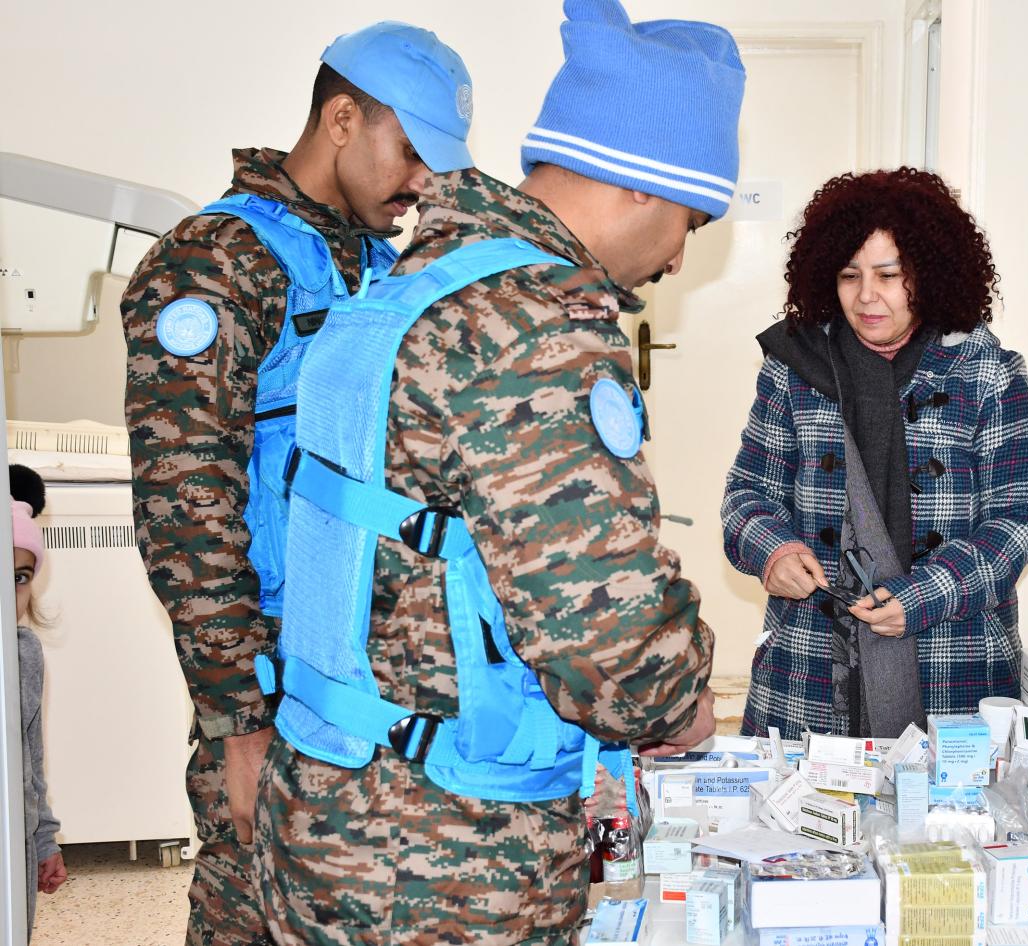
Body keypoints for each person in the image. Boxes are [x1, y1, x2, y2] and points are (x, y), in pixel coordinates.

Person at [253, 1, 743, 941]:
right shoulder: (534, 326)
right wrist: (681, 705)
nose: (681, 256)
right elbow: (607, 631)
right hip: (440, 860)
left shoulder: (417, 277)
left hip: (325, 799)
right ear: (643, 184)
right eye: (692, 218)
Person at [121, 22, 473, 946]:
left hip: (382, 687)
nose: (422, 183)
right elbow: (185, 509)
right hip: (274, 692)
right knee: (256, 915)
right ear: (342, 119)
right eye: (411, 154)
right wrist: (239, 724)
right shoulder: (214, 262)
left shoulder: (383, 270)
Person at [722, 167, 1028, 740]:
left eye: (889, 275)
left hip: (952, 664)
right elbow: (746, 494)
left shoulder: (988, 373)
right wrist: (773, 551)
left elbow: (1021, 520)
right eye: (849, 275)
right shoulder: (792, 370)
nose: (866, 296)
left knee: (943, 800)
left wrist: (921, 595)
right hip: (808, 665)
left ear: (930, 274)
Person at [10, 465, 66, 941]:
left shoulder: (24, 653)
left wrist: (44, 838)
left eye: (20, 577)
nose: (9, 593)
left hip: (18, 844)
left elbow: (32, 758)